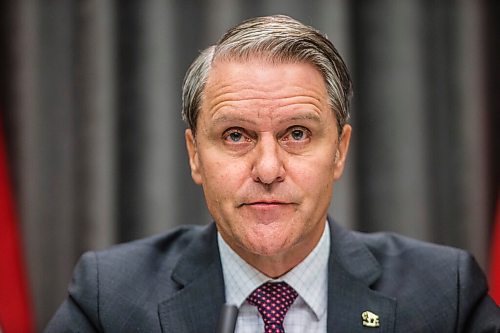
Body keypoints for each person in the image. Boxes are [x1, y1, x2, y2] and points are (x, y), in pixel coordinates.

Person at [46, 15, 499, 332]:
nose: (267, 169)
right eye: (236, 136)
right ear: (194, 156)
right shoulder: (111, 298)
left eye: (297, 133)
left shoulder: (444, 293)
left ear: (339, 151)